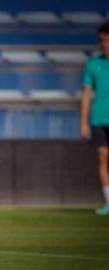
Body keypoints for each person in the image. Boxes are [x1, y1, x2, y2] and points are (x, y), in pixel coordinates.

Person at [80, 21, 109, 216]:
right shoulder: (92, 64)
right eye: (102, 40)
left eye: (108, 40)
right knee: (102, 157)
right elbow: (86, 94)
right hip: (99, 118)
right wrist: (83, 122)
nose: (105, 44)